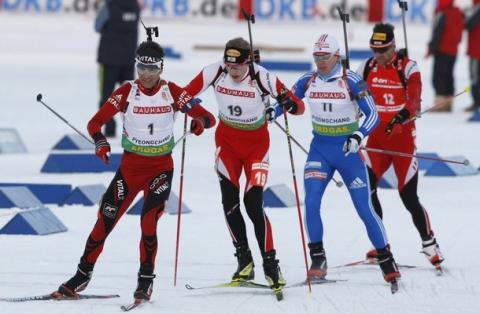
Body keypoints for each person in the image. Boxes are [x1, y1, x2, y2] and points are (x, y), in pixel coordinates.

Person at [54, 40, 216, 302]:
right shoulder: (127, 92)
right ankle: (82, 275)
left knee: (148, 222)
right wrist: (101, 142)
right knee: (104, 220)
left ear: (161, 68)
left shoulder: (173, 92)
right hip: (129, 170)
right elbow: (95, 123)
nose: (146, 74)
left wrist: (198, 122)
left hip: (160, 169)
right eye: (141, 67)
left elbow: (209, 117)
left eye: (152, 69)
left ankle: (145, 281)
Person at [184, 37, 305, 291]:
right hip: (226, 145)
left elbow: (299, 107)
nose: (232, 71)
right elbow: (183, 96)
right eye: (229, 66)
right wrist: (198, 114)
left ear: (247, 62)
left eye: (237, 66)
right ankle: (244, 260)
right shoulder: (216, 71)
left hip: (256, 148)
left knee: (253, 204)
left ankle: (271, 264)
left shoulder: (262, 77)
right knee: (229, 202)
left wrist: (289, 103)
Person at [291, 34, 401, 285]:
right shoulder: (308, 80)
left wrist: (358, 134)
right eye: (316, 57)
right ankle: (318, 258)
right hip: (320, 151)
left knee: (364, 208)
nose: (320, 62)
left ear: (337, 56)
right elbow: (289, 100)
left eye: (325, 57)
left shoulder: (351, 80)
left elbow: (373, 114)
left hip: (348, 154)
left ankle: (386, 258)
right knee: (311, 202)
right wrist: (272, 110)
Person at [358, 23, 444, 270]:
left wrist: (400, 118)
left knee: (408, 197)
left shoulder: (408, 67)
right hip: (376, 141)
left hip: (402, 141)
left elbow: (415, 99)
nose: (379, 55)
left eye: (383, 50)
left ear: (393, 46)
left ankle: (430, 243)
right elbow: (353, 92)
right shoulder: (367, 66)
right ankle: (381, 244)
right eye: (375, 49)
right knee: (367, 192)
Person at [95, 0, 140, 137]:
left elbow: (97, 26)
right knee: (130, 98)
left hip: (109, 59)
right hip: (128, 58)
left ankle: (109, 129)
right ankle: (134, 131)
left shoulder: (109, 6)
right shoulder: (135, 5)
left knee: (106, 96)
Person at [426, 0, 464, 112]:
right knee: (449, 76)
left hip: (442, 49)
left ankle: (440, 105)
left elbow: (438, 32)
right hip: (453, 50)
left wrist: (431, 48)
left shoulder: (442, 12)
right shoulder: (457, 12)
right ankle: (448, 103)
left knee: (439, 77)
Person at [465, 0, 480, 112]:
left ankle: (477, 104)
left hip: (476, 50)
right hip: (475, 48)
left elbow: (468, 24)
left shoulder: (477, 7)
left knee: (475, 77)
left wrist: (464, 15)